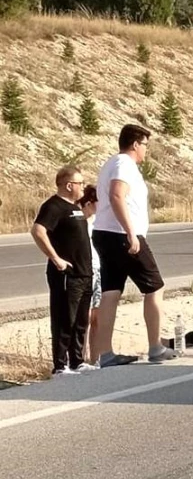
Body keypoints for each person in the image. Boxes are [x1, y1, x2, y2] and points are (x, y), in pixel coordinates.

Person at [92, 123, 172, 367]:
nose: (146, 150)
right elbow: (117, 195)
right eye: (145, 145)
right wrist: (131, 233)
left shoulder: (111, 163)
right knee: (155, 287)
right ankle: (155, 346)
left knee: (111, 292)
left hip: (105, 233)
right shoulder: (124, 164)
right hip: (121, 235)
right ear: (135, 144)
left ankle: (105, 353)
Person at [30, 166, 97, 376]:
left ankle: (77, 360)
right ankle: (60, 365)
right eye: (80, 183)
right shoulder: (53, 206)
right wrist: (56, 258)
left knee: (80, 320)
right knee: (64, 317)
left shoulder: (75, 207)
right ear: (69, 185)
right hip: (67, 274)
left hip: (84, 273)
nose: (83, 187)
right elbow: (38, 231)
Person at [78, 184, 103, 365]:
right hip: (86, 269)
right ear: (89, 203)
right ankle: (81, 356)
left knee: (97, 316)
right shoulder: (79, 221)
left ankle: (96, 357)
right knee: (84, 316)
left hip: (99, 269)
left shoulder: (98, 221)